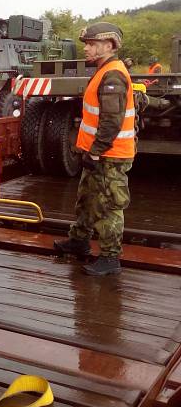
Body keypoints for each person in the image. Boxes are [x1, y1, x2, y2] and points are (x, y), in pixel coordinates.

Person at [54, 22, 134, 276]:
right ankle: (79, 241)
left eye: (91, 44)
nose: (86, 48)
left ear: (109, 45)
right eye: (86, 43)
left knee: (109, 206)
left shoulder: (113, 75)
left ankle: (111, 258)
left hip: (110, 155)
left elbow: (112, 120)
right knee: (87, 199)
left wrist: (97, 151)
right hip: (97, 153)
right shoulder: (104, 71)